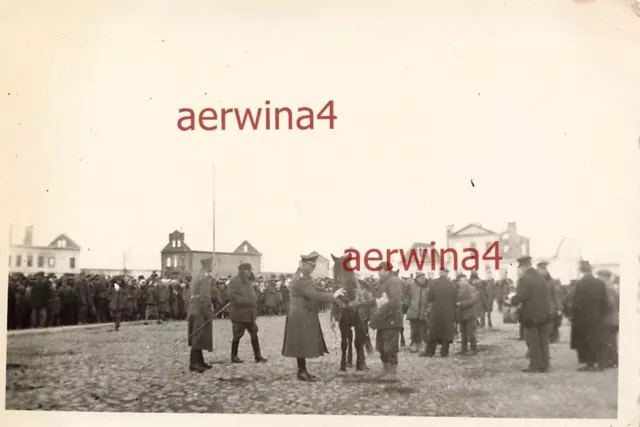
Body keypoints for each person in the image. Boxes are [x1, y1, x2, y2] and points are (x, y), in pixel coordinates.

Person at [282, 253, 346, 382]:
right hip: (301, 313)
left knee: (302, 341)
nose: (313, 268)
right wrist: (332, 296)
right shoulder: (301, 278)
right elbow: (312, 294)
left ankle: (303, 370)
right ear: (304, 264)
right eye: (311, 266)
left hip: (303, 311)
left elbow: (316, 288)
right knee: (301, 341)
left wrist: (331, 290)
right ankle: (301, 371)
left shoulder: (305, 276)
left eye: (314, 266)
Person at [511, 256, 551, 373]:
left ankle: (534, 365)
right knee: (543, 340)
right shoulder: (541, 278)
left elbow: (521, 296)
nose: (520, 270)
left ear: (524, 267)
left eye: (520, 268)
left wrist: (512, 300)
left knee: (532, 340)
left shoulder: (524, 279)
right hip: (544, 314)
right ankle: (544, 365)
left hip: (530, 315)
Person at [570, 261, 609, 371]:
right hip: (598, 317)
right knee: (598, 340)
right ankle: (601, 363)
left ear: (582, 271)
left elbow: (576, 303)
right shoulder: (600, 283)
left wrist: (573, 315)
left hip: (583, 318)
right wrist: (602, 314)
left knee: (585, 341)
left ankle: (589, 363)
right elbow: (605, 302)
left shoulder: (580, 284)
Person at [370, 262, 404, 381]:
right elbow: (377, 299)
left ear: (388, 271)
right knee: (380, 345)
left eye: (381, 270)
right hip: (382, 320)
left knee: (390, 345)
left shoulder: (393, 281)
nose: (379, 272)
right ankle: (385, 369)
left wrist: (380, 312)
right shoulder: (382, 282)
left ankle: (393, 372)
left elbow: (395, 300)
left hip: (391, 319)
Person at [228, 263, 267, 364]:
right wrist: (247, 301)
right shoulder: (234, 281)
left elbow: (254, 294)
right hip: (239, 314)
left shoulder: (249, 282)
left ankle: (258, 356)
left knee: (254, 333)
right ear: (243, 271)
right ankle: (234, 356)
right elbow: (231, 297)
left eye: (250, 270)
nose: (250, 272)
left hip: (249, 314)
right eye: (248, 270)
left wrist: (256, 295)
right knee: (237, 335)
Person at [187, 258, 215, 373]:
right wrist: (208, 313)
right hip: (200, 309)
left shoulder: (196, 275)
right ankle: (194, 363)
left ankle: (200, 360)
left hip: (193, 307)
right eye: (212, 265)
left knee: (196, 334)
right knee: (198, 335)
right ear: (208, 265)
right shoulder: (205, 277)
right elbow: (205, 297)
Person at [421, 268, 457, 358]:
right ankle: (444, 353)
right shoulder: (452, 284)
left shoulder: (433, 283)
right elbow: (455, 298)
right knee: (446, 331)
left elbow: (430, 297)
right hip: (448, 311)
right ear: (447, 273)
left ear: (440, 273)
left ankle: (430, 352)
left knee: (434, 331)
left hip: (436, 310)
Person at [598, 270, 619, 368]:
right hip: (613, 318)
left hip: (608, 318)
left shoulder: (607, 288)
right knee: (611, 340)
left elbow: (610, 304)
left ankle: (611, 361)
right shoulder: (612, 287)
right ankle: (613, 360)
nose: (598, 278)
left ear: (605, 277)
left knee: (609, 340)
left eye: (600, 276)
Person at [405, 272, 429, 354]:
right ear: (417, 278)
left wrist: (428, 309)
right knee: (414, 330)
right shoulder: (412, 287)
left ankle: (422, 346)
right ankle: (416, 345)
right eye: (421, 278)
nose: (423, 279)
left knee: (423, 330)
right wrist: (410, 306)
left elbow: (430, 300)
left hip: (423, 312)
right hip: (413, 312)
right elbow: (407, 298)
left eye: (424, 278)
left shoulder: (428, 287)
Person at [456, 274, 479, 355]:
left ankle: (474, 349)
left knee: (471, 333)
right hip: (461, 315)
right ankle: (464, 349)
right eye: (460, 281)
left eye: (463, 280)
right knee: (463, 333)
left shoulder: (472, 289)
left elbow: (473, 301)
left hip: (470, 314)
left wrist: (461, 304)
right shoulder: (458, 289)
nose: (461, 283)